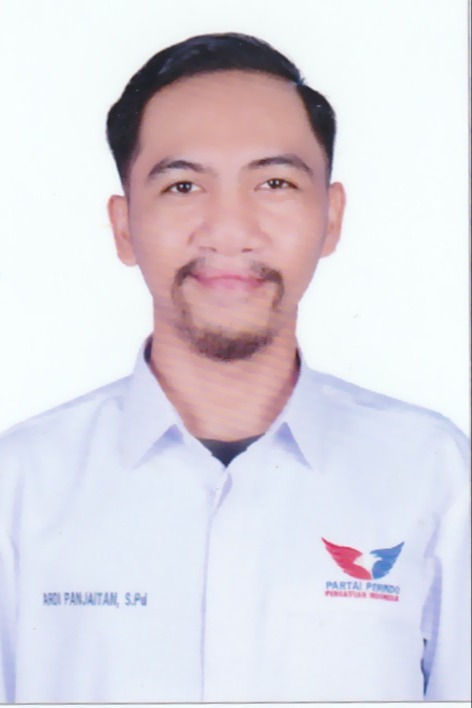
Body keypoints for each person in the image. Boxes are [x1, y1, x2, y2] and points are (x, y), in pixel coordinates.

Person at [0, 32, 469, 703]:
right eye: (183, 185)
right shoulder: (20, 486)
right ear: (124, 226)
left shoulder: (433, 475)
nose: (228, 228)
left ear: (331, 217)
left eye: (274, 183)